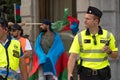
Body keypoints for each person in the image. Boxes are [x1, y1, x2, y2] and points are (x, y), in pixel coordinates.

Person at [68, 6, 118, 80]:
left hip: (103, 75)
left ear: (96, 21)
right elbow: (72, 57)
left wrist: (109, 51)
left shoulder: (108, 35)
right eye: (85, 18)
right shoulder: (80, 36)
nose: (85, 21)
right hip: (85, 75)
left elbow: (115, 56)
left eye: (88, 19)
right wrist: (69, 73)